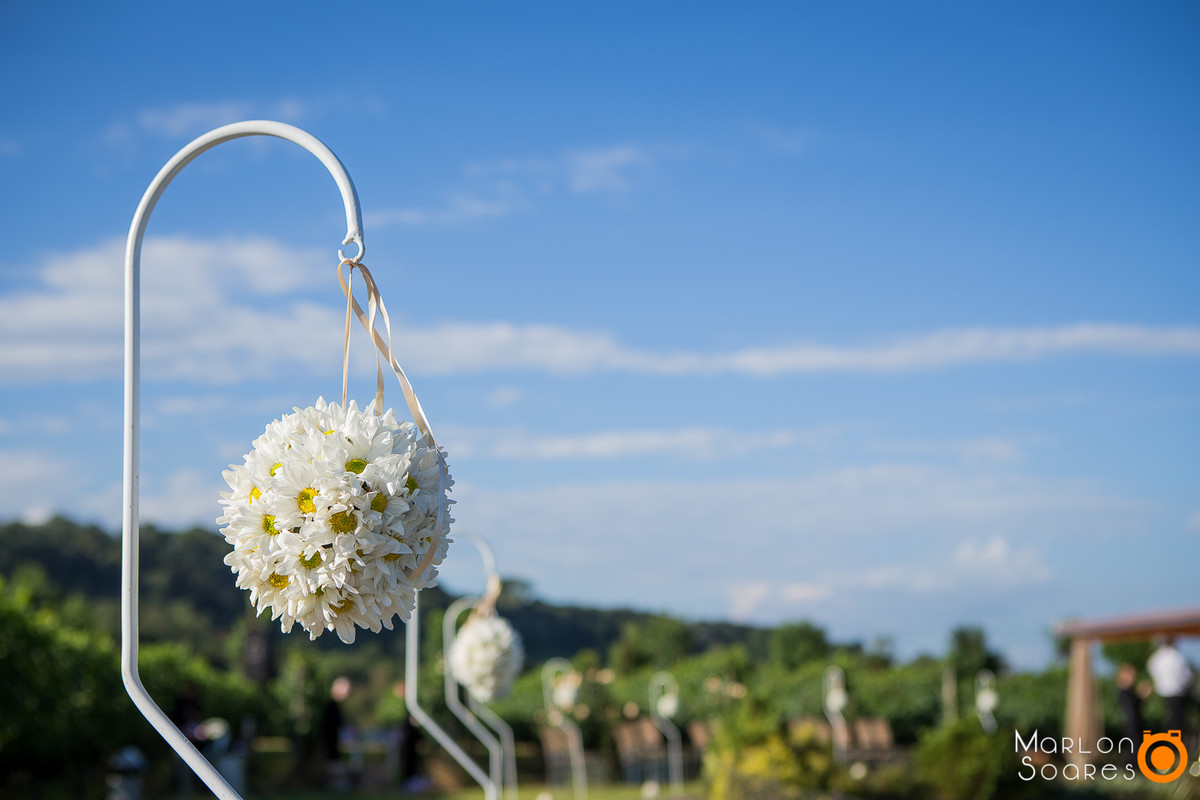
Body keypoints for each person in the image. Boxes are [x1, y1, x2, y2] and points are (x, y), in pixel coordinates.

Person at [1147, 637, 1192, 734]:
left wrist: (1159, 680)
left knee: (1167, 720)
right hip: (1177, 692)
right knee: (1177, 721)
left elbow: (1151, 667)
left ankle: (1167, 740)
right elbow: (1187, 675)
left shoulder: (1157, 657)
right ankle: (1174, 741)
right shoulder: (1176, 656)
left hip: (1162, 693)